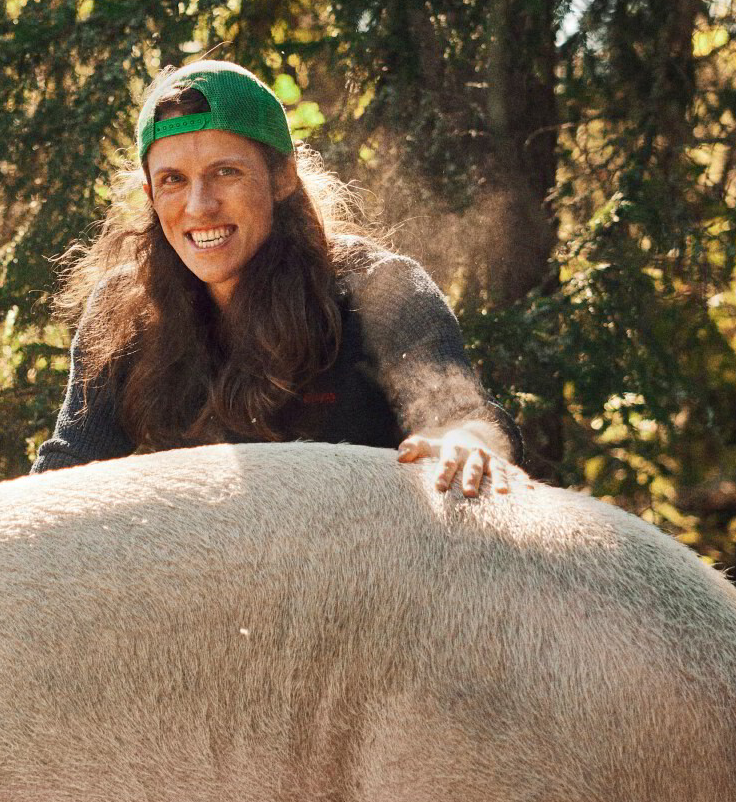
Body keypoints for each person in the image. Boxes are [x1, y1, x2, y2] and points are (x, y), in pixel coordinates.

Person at [30, 60, 527, 497]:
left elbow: (466, 419)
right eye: (174, 180)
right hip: (217, 586)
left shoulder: (379, 288)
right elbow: (68, 469)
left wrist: (467, 441)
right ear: (151, 194)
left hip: (371, 584)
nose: (199, 206)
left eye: (225, 172)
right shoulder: (126, 308)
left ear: (283, 177)